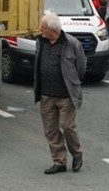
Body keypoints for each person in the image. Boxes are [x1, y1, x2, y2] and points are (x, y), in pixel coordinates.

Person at [34, 12, 87, 174]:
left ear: (54, 30)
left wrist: (72, 83)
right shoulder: (41, 42)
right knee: (50, 129)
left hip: (66, 95)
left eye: (43, 27)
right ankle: (59, 161)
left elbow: (81, 68)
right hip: (46, 94)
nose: (40, 30)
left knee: (67, 127)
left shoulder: (72, 43)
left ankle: (77, 154)